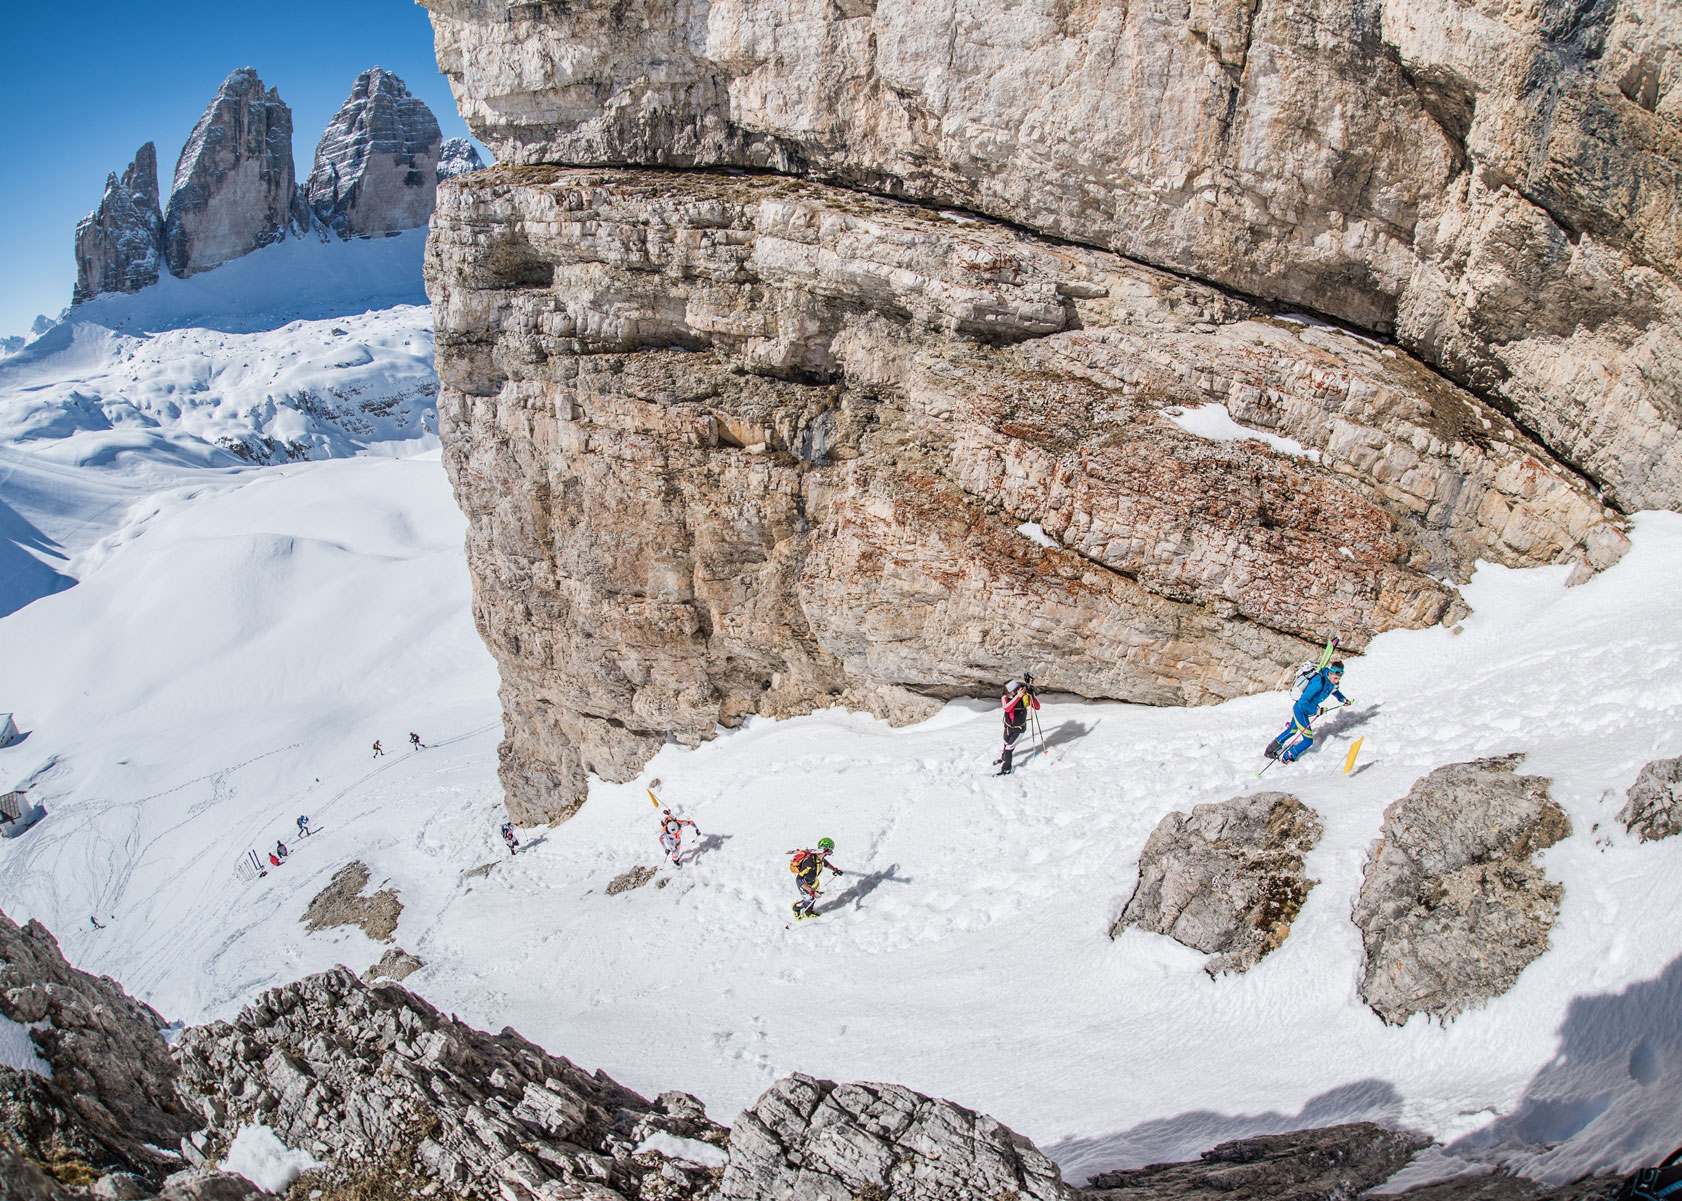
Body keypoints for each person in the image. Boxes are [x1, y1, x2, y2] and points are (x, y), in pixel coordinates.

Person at [1267, 659, 1348, 763]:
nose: (1337, 681)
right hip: (1301, 710)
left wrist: (1343, 699)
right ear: (1330, 673)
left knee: (1291, 730)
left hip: (1306, 710)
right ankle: (1289, 755)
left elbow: (1335, 691)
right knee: (1308, 741)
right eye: (1335, 678)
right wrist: (1316, 710)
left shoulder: (1331, 683)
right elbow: (1302, 701)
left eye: (1339, 678)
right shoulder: (1318, 682)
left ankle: (1271, 750)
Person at [787, 838, 844, 920]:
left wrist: (834, 869)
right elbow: (799, 879)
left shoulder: (819, 857)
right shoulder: (810, 862)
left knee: (813, 898)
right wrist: (811, 891)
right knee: (809, 900)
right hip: (805, 884)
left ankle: (808, 912)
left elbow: (824, 862)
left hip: (814, 881)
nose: (830, 852)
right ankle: (796, 907)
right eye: (830, 850)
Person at [995, 676, 1040, 775]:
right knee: (1006, 743)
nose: (1015, 692)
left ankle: (1006, 768)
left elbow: (1037, 707)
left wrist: (1032, 695)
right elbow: (1006, 708)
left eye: (1016, 690)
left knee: (1009, 748)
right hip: (1008, 727)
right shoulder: (1005, 698)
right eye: (1013, 691)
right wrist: (1017, 697)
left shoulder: (1023, 698)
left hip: (1019, 729)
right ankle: (1003, 758)